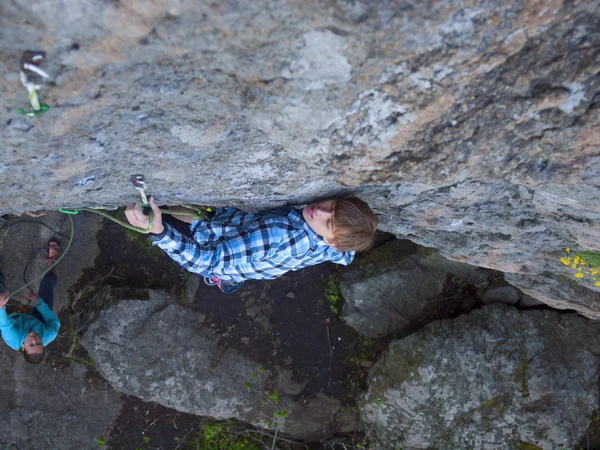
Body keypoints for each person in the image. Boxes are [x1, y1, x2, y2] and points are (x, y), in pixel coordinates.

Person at [125, 197, 378, 293]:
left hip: (215, 243)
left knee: (168, 214)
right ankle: (232, 275)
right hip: (253, 250)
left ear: (332, 242)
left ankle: (226, 276)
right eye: (332, 206)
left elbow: (207, 261)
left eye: (329, 222)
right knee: (241, 257)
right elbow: (347, 253)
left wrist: (158, 231)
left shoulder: (278, 235)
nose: (319, 211)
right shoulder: (337, 247)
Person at [0, 242, 61, 364]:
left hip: (14, 320)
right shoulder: (50, 333)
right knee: (49, 280)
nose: (34, 340)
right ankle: (52, 263)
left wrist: (1, 307)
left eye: (31, 345)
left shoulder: (13, 338)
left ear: (23, 347)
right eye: (38, 343)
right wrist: (39, 303)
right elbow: (52, 319)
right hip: (37, 318)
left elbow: (6, 325)